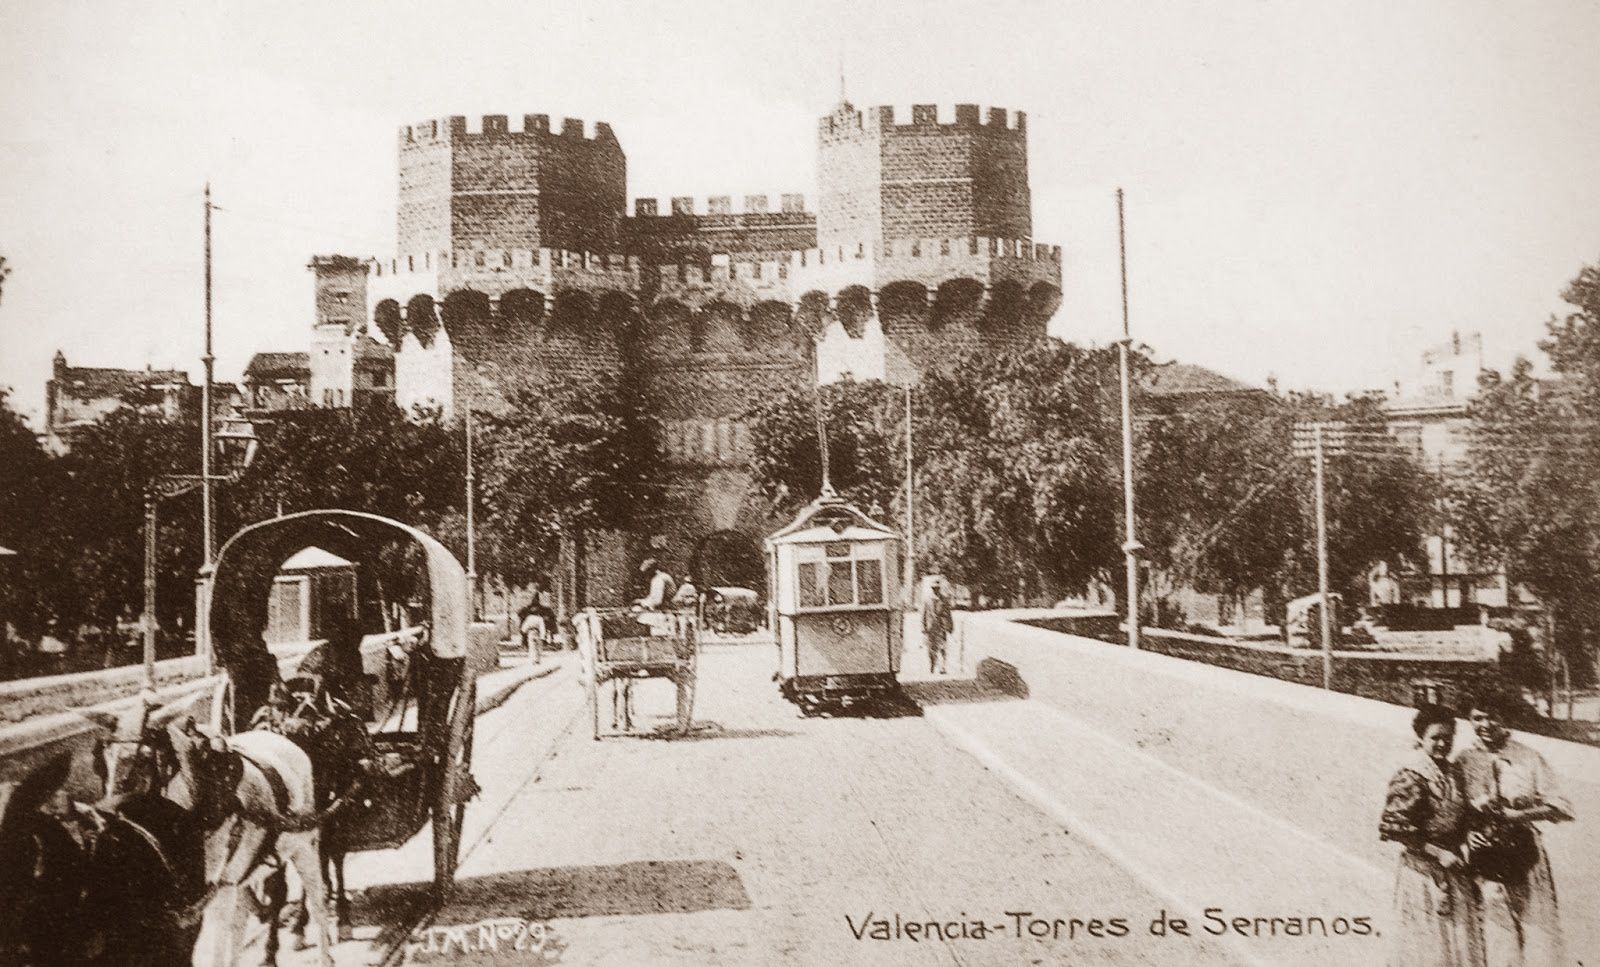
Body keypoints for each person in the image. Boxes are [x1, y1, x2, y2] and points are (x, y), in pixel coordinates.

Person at [1454, 695, 1572, 967]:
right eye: (1478, 718)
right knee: (1496, 934)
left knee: (1538, 932)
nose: (1486, 724)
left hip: (1526, 855)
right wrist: (1468, 833)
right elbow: (1457, 809)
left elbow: (1561, 807)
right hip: (1485, 859)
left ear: (1505, 718)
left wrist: (1518, 815)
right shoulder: (1464, 760)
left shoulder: (1527, 758)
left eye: (1492, 717)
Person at [1379, 703, 1484, 967]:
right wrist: (1438, 853)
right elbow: (1393, 826)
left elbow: (1463, 816)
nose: (1441, 744)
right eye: (1435, 738)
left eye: (1447, 738)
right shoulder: (1411, 774)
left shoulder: (1452, 772)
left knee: (1459, 944)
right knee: (1427, 947)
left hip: (1454, 870)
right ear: (1421, 737)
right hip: (1422, 872)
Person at [922, 581, 953, 675]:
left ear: (939, 589)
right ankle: (932, 664)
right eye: (934, 588)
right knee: (931, 648)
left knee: (943, 647)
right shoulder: (927, 600)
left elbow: (948, 614)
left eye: (937, 588)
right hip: (930, 627)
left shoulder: (944, 600)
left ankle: (942, 667)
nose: (935, 590)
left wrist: (950, 626)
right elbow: (924, 614)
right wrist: (923, 628)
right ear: (932, 589)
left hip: (941, 626)